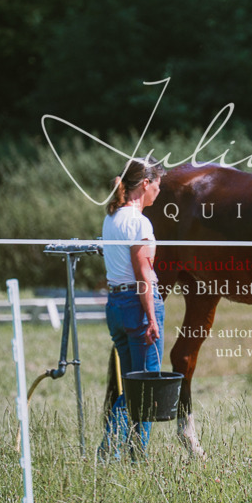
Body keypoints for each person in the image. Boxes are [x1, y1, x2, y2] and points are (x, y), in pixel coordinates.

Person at [98, 156, 165, 459]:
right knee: (146, 387)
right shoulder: (139, 222)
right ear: (146, 184)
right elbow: (143, 276)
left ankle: (118, 452)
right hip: (137, 308)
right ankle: (123, 452)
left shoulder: (111, 218)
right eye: (158, 185)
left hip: (115, 304)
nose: (159, 192)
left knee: (131, 385)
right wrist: (152, 317)